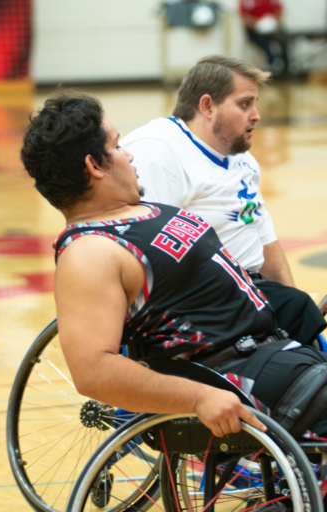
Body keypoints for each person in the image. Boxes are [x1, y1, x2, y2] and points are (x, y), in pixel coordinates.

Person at [21, 91, 327, 442]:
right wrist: (199, 397)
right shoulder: (89, 253)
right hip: (247, 379)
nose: (129, 154)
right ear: (94, 166)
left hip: (279, 353)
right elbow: (92, 372)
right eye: (117, 146)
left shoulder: (140, 209)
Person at [122, 55, 325, 345]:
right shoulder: (158, 153)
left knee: (300, 311)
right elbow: (148, 258)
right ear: (207, 106)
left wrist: (292, 303)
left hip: (248, 293)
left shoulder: (242, 158)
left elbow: (264, 239)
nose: (256, 115)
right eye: (245, 104)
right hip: (205, 307)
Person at [239, 0, 287, 76]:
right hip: (254, 30)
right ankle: (271, 61)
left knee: (284, 40)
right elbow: (244, 17)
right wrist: (256, 23)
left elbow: (280, 10)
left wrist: (275, 21)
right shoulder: (246, 1)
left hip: (272, 29)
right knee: (264, 44)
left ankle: (284, 64)